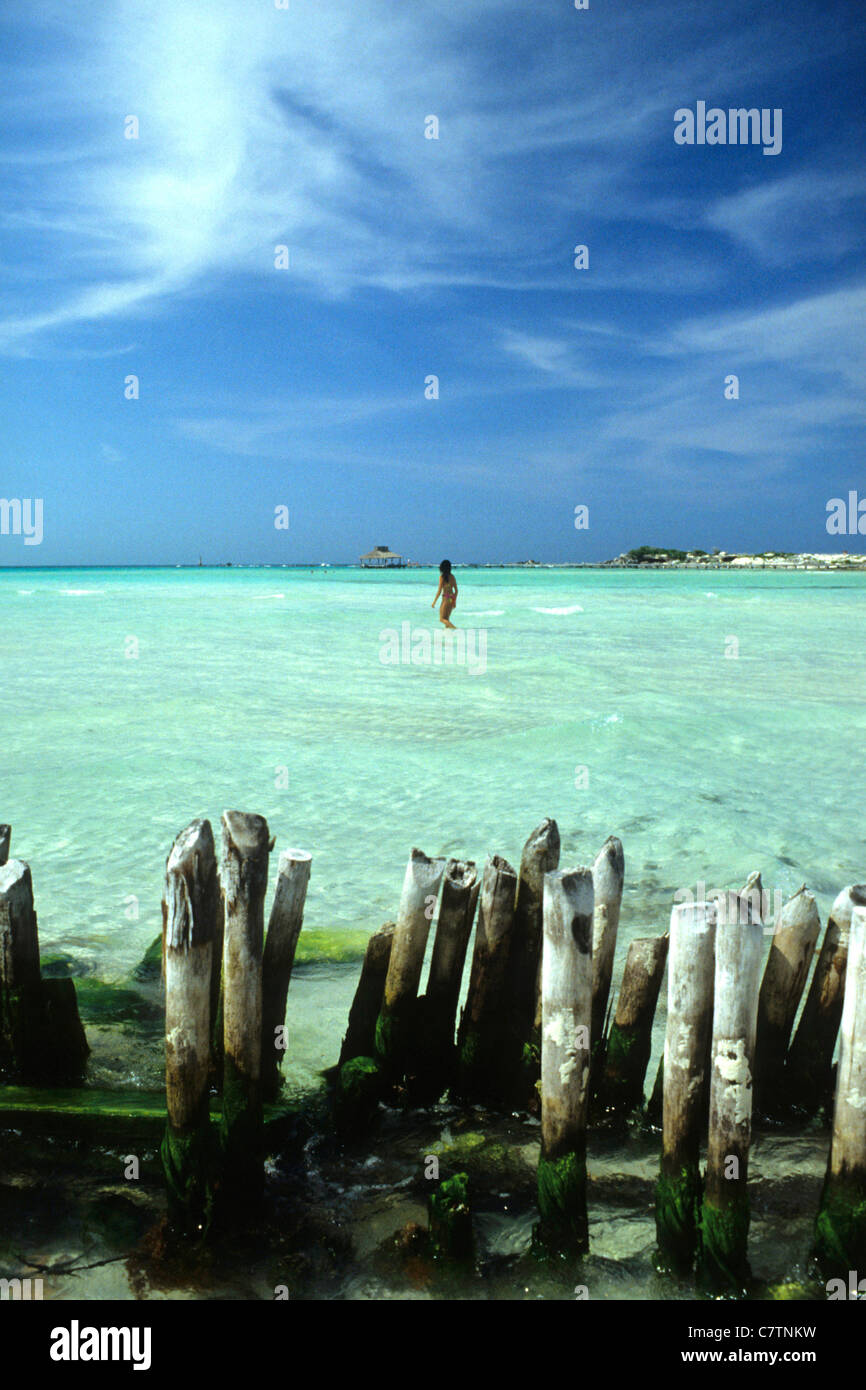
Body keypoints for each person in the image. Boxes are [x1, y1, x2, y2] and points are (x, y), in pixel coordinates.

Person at [432, 559, 458, 629]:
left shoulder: (442, 577)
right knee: (446, 619)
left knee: (442, 619)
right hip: (451, 598)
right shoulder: (452, 576)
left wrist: (434, 602)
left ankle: (456, 629)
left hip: (446, 599)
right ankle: (447, 636)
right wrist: (454, 601)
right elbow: (456, 591)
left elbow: (439, 591)